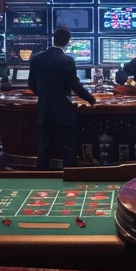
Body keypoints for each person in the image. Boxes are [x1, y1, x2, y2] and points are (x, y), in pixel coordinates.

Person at [28, 26, 96, 169]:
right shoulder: (67, 61)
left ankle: (40, 178)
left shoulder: (37, 58)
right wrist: (91, 99)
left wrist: (46, 94)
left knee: (44, 148)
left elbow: (31, 84)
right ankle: (68, 179)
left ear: (54, 38)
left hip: (44, 110)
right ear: (68, 42)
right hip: (63, 111)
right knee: (68, 149)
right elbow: (75, 85)